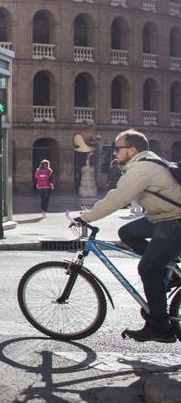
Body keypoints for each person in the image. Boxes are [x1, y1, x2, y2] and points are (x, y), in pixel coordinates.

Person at [74, 129, 181, 343]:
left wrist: (86, 217)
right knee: (127, 232)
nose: (114, 153)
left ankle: (161, 328)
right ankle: (169, 270)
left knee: (148, 269)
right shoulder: (145, 162)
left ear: (132, 150)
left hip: (174, 220)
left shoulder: (142, 169)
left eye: (117, 149)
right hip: (162, 216)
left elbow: (117, 198)